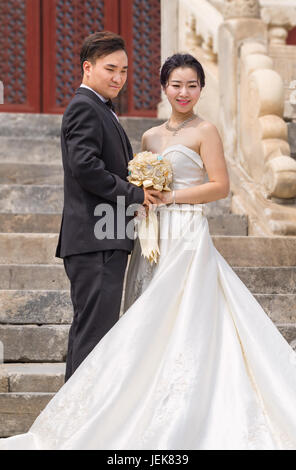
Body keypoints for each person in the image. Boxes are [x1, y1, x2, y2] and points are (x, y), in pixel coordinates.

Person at [1, 53, 296, 450]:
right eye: (176, 84)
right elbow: (114, 178)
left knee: (187, 312)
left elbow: (220, 186)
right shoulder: (149, 138)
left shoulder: (206, 131)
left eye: (192, 84)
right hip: (150, 235)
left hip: (187, 233)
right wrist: (141, 201)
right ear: (163, 88)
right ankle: (103, 409)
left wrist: (170, 196)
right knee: (146, 317)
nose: (184, 92)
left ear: (202, 88)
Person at [54, 31, 161, 382]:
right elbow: (86, 168)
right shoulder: (85, 107)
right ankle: (74, 426)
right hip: (94, 239)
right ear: (88, 68)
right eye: (110, 69)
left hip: (105, 237)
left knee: (93, 333)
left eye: (124, 70)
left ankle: (74, 423)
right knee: (92, 336)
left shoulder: (101, 108)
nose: (118, 78)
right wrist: (135, 195)